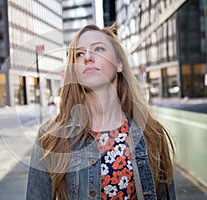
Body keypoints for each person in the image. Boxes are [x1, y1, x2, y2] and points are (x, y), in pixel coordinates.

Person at [26, 24, 175, 200]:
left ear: (119, 64)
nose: (87, 57)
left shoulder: (152, 133)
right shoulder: (50, 138)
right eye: (79, 54)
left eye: (98, 49)